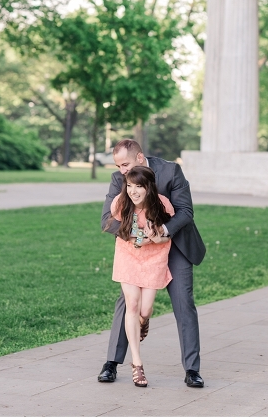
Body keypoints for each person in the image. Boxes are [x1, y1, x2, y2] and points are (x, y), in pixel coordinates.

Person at [97, 139, 206, 388]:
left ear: (139, 157)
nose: (122, 171)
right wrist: (136, 236)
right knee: (128, 302)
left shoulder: (171, 171)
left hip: (174, 242)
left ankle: (192, 369)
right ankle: (112, 363)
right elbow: (107, 219)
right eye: (118, 166)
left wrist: (162, 232)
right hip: (137, 249)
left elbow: (185, 212)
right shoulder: (119, 179)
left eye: (125, 164)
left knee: (183, 301)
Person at [108, 166, 174, 387]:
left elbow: (167, 238)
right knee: (132, 305)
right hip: (128, 256)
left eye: (139, 187)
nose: (133, 192)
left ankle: (143, 323)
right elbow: (116, 228)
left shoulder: (163, 204)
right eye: (129, 186)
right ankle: (137, 364)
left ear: (149, 188)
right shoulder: (120, 203)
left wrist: (156, 239)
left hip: (154, 258)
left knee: (144, 311)